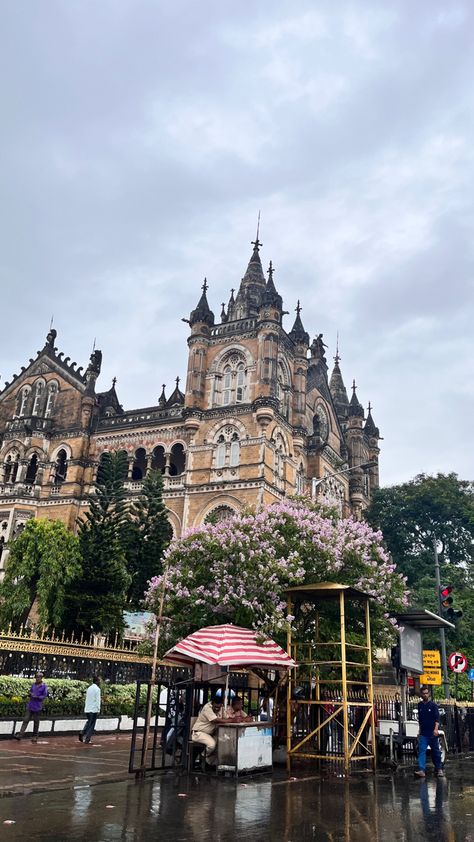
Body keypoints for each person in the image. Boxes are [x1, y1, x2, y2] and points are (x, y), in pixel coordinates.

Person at [414, 686, 443, 778]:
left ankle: (439, 768)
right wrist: (419, 731)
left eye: (427, 693)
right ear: (421, 694)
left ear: (429, 694)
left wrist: (435, 729)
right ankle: (422, 770)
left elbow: (437, 718)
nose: (425, 695)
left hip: (432, 733)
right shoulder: (420, 705)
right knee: (422, 750)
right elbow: (420, 719)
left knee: (435, 751)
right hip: (424, 733)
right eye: (424, 693)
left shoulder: (433, 705)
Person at [191, 697, 228, 766]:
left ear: (221, 705)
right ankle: (203, 756)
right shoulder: (207, 707)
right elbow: (214, 720)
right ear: (212, 704)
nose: (217, 709)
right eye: (215, 707)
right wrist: (230, 720)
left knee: (222, 742)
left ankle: (209, 763)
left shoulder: (221, 708)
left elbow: (226, 718)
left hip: (210, 734)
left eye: (218, 707)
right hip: (199, 733)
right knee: (212, 745)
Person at [14, 672, 48, 743]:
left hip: (37, 707)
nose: (37, 678)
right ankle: (20, 734)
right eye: (36, 677)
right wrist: (30, 694)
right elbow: (30, 692)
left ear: (41, 678)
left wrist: (38, 697)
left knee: (36, 722)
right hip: (30, 705)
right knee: (25, 720)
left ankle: (35, 736)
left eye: (38, 677)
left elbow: (44, 696)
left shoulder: (44, 686)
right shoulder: (33, 685)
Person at [79, 676, 101, 744]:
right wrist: (98, 709)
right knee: (92, 725)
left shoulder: (89, 688)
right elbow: (98, 700)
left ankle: (82, 733)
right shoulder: (97, 689)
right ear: (97, 681)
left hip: (88, 709)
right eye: (99, 681)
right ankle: (87, 739)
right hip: (93, 709)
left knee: (89, 722)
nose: (100, 682)